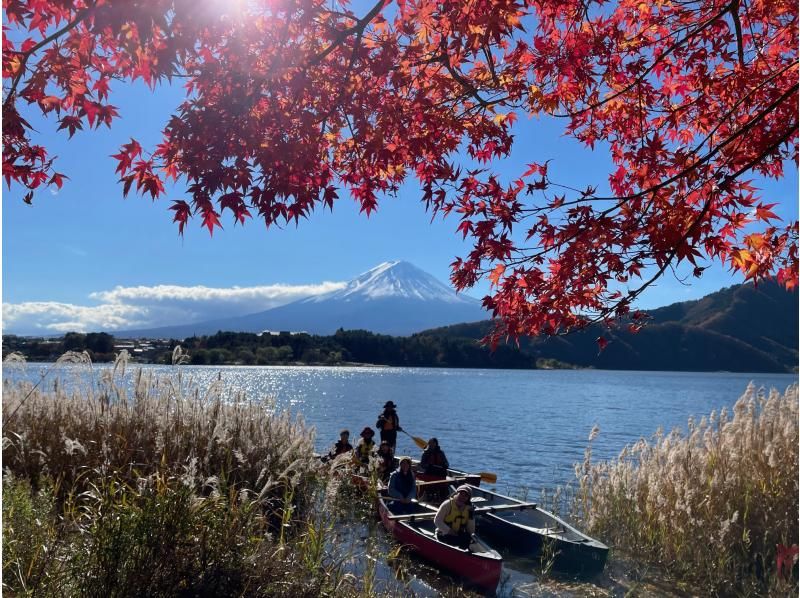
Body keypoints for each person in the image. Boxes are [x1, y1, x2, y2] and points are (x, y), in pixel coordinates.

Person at [434, 485, 475, 549]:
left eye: (466, 495)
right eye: (461, 494)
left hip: (457, 534)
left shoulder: (469, 509)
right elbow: (437, 521)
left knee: (467, 537)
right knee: (453, 540)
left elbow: (471, 531)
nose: (462, 497)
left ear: (468, 499)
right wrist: (450, 531)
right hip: (444, 534)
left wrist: (471, 517)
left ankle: (463, 553)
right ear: (456, 494)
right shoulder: (447, 504)